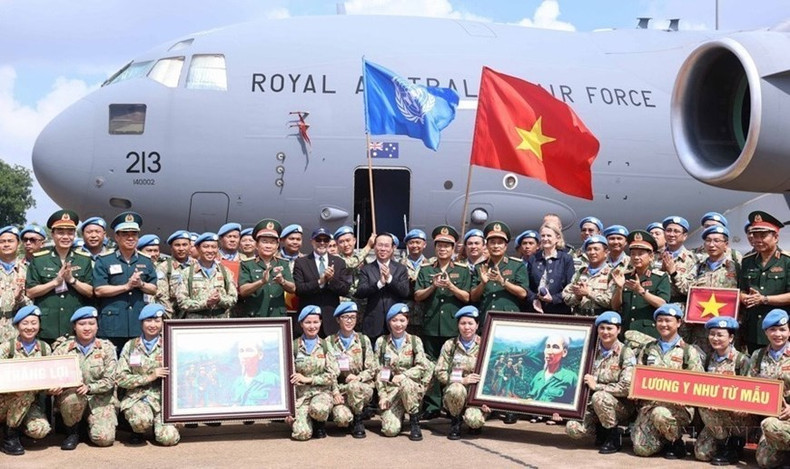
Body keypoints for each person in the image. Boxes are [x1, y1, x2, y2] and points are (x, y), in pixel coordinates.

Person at [631, 303, 704, 459]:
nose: (663, 324)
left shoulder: (688, 351)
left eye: (668, 320)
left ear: (678, 323)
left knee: (661, 414)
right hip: (650, 405)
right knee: (641, 449)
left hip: (677, 408)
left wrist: (685, 398)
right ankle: (662, 439)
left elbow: (698, 382)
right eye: (660, 320)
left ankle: (675, 442)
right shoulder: (648, 349)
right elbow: (638, 375)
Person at [414, 225, 471, 420]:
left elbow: (466, 297)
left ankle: (452, 403)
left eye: (447, 246)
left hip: (451, 325)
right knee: (431, 366)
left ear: (454, 248)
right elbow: (418, 295)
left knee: (453, 365)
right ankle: (432, 405)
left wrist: (451, 286)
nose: (443, 249)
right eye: (439, 245)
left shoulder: (462, 270)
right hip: (431, 324)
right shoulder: (426, 269)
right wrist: (433, 286)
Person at [567, 311, 635, 454]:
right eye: (602, 328)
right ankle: (600, 431)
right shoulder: (590, 351)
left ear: (619, 330)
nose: (605, 332)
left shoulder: (625, 353)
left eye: (610, 328)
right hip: (592, 404)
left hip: (620, 405)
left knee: (599, 396)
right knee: (572, 428)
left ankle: (613, 436)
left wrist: (596, 386)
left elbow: (627, 387)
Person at [52, 306, 118, 450]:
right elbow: (53, 376)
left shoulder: (107, 348)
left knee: (104, 439)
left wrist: (90, 388)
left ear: (97, 326)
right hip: (73, 398)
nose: (87, 328)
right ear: (74, 327)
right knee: (73, 399)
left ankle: (89, 425)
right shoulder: (62, 349)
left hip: (99, 399)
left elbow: (110, 380)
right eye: (82, 324)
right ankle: (72, 432)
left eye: (91, 323)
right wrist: (53, 387)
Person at [116, 303, 180, 446]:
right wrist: (150, 377)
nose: (153, 325)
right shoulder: (131, 346)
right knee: (141, 420)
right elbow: (120, 378)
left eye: (157, 321)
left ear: (163, 323)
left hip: (163, 399)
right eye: (148, 321)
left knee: (168, 439)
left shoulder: (171, 343)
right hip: (137, 397)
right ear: (141, 323)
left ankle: (158, 427)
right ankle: (137, 431)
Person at [26, 209, 94, 344]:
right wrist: (54, 282)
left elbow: (90, 292)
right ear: (52, 234)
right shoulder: (39, 259)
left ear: (75, 235)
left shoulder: (84, 259)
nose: (65, 237)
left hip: (74, 324)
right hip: (47, 326)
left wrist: (72, 280)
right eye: (61, 232)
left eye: (70, 233)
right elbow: (30, 292)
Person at [93, 211, 157, 350]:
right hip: (113, 324)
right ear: (116, 236)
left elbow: (153, 289)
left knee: (135, 364)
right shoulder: (104, 260)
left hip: (137, 322)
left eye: (134, 234)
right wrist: (126, 286)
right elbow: (99, 290)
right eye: (125, 234)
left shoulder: (145, 260)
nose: (130, 238)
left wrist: (141, 284)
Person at [694, 316, 751, 465]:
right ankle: (724, 443)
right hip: (714, 416)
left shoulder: (742, 361)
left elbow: (752, 390)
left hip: (738, 418)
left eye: (720, 335)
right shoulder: (708, 360)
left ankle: (731, 446)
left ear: (731, 338)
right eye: (712, 334)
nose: (715, 338)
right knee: (701, 454)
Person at [676, 225, 740, 354]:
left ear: (726, 244)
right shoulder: (698, 267)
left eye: (717, 241)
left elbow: (743, 291)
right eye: (708, 240)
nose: (712, 244)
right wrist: (673, 273)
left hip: (725, 330)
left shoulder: (735, 267)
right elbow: (686, 289)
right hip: (700, 330)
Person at [374, 303, 433, 441]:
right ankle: (398, 414)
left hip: (411, 389)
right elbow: (379, 371)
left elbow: (422, 366)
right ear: (389, 322)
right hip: (392, 391)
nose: (398, 324)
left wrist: (404, 376)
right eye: (394, 320)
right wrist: (382, 395)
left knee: (406, 384)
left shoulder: (414, 341)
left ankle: (414, 421)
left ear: (407, 321)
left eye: (402, 320)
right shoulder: (381, 342)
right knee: (390, 430)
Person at [0, 306, 52, 455]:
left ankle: (17, 426)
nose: (30, 327)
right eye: (25, 323)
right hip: (4, 401)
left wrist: (52, 388)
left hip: (29, 403)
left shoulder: (44, 349)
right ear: (17, 326)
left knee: (40, 429)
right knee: (23, 391)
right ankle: (10, 437)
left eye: (34, 323)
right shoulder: (6, 348)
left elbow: (49, 377)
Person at [435, 305, 490, 439]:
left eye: (470, 323)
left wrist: (489, 399)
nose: (467, 327)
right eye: (463, 323)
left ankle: (474, 418)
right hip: (456, 393)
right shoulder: (450, 345)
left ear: (477, 325)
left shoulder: (485, 344)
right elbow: (440, 372)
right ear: (458, 325)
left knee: (474, 421)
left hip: (476, 394)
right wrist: (462, 380)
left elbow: (492, 375)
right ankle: (456, 421)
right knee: (456, 389)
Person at [738, 211, 790, 352]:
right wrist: (746, 298)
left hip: (780, 329)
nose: (758, 240)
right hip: (754, 327)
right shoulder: (747, 261)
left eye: (763, 235)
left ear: (776, 237)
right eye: (755, 235)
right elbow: (741, 290)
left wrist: (764, 299)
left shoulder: (787, 261)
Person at [287, 305, 339, 440]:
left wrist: (308, 379)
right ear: (301, 324)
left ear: (321, 323)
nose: (312, 326)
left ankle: (319, 423)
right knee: (301, 434)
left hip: (322, 394)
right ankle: (304, 421)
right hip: (301, 397)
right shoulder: (293, 346)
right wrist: (288, 408)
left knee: (319, 409)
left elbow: (333, 375)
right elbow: (286, 377)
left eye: (316, 322)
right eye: (308, 322)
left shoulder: (326, 346)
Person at [326, 302, 376, 438]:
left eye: (353, 317)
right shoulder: (329, 342)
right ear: (338, 319)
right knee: (342, 419)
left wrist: (358, 378)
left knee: (354, 386)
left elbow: (372, 369)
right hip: (340, 388)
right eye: (345, 317)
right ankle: (346, 413)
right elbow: (329, 372)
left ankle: (358, 419)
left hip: (360, 387)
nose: (349, 321)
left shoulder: (363, 340)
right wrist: (335, 392)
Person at [749, 309, 790, 468]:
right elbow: (748, 385)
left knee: (769, 425)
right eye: (773, 329)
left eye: (782, 329)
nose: (778, 334)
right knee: (764, 460)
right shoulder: (757, 356)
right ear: (766, 332)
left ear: (789, 331)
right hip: (770, 415)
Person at [611, 230, 670, 339]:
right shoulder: (625, 277)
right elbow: (615, 306)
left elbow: (663, 304)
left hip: (648, 334)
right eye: (633, 254)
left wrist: (641, 291)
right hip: (626, 332)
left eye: (640, 254)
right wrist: (619, 288)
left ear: (651, 256)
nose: (636, 257)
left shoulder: (660, 277)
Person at [293, 228, 351, 336]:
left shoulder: (339, 262)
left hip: (331, 320)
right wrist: (321, 281)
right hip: (309, 321)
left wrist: (331, 280)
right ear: (312, 241)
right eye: (318, 240)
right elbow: (299, 290)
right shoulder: (301, 262)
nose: (322, 243)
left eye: (326, 240)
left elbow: (345, 289)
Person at [470, 221, 528, 325]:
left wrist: (503, 282)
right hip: (486, 318)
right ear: (486, 245)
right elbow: (473, 297)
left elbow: (523, 293)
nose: (496, 246)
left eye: (500, 243)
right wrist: (482, 284)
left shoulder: (516, 265)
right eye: (492, 242)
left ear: (505, 246)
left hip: (508, 318)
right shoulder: (480, 267)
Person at [356, 233, 410, 341]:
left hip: (395, 324)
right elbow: (360, 292)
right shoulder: (366, 269)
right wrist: (379, 284)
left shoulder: (401, 269)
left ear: (393, 248)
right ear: (374, 247)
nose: (383, 249)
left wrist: (390, 279)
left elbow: (405, 292)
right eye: (380, 245)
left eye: (386, 246)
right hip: (373, 323)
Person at [237, 219, 295, 318]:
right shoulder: (247, 264)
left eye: (272, 242)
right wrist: (261, 282)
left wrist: (282, 281)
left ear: (277, 246)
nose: (268, 246)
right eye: (264, 242)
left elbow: (292, 288)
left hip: (277, 316)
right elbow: (243, 291)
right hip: (255, 315)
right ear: (256, 245)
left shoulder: (283, 263)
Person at [175, 232, 238, 318]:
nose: (210, 251)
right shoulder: (187, 273)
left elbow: (233, 298)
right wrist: (205, 303)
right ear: (198, 248)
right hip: (196, 323)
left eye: (214, 247)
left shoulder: (224, 272)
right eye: (206, 247)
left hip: (220, 322)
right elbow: (182, 302)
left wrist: (220, 299)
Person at [527, 223, 574, 314]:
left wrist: (553, 299)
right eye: (543, 236)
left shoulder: (566, 259)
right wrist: (534, 299)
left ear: (557, 238)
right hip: (536, 309)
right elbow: (527, 286)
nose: (545, 239)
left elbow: (570, 286)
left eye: (549, 236)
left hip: (559, 310)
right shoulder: (533, 258)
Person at [562, 235, 614, 316]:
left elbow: (611, 302)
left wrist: (589, 293)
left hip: (601, 320)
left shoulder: (612, 274)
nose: (592, 252)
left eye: (596, 249)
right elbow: (566, 297)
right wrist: (577, 297)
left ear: (606, 253)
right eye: (589, 249)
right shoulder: (580, 273)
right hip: (580, 319)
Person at [0, 226, 31, 343]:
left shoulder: (28, 269)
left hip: (20, 334)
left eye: (10, 241)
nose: (6, 245)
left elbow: (34, 301)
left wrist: (20, 299)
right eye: (2, 242)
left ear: (18, 244)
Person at [526, 335, 578, 404]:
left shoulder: (570, 377)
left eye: (555, 347)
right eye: (548, 347)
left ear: (564, 352)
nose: (549, 352)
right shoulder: (538, 376)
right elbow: (530, 397)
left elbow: (577, 404)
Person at [155, 230, 195, 318]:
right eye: (177, 245)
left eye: (184, 245)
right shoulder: (164, 267)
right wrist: (171, 318)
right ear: (171, 248)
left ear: (190, 246)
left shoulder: (198, 266)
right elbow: (162, 295)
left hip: (195, 315)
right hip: (174, 316)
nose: (181, 248)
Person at [231, 338, 281, 406]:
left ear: (260, 355)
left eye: (249, 350)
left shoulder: (273, 379)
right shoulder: (236, 383)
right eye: (241, 351)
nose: (244, 355)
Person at [660, 216, 697, 309]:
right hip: (656, 307)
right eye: (668, 230)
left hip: (680, 308)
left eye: (676, 231)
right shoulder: (654, 257)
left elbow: (690, 290)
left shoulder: (693, 259)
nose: (671, 234)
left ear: (684, 236)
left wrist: (673, 273)